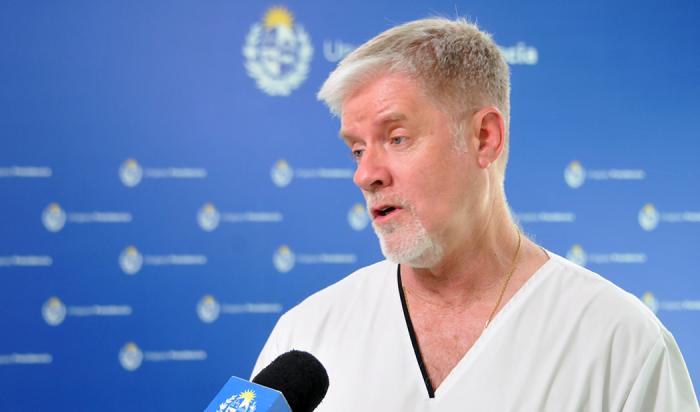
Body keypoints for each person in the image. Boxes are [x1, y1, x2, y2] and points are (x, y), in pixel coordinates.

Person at [252, 18, 699, 411]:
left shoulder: (621, 343)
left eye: (397, 138)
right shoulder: (305, 334)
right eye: (356, 149)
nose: (365, 174)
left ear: (484, 138)